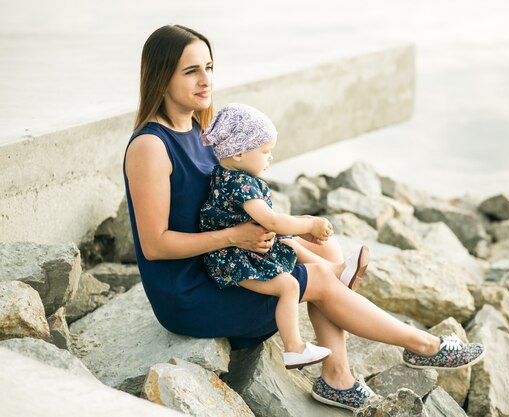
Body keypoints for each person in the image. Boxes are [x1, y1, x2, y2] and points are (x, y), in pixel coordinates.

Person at [124, 24, 486, 412]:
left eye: (209, 67)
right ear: (161, 76)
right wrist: (234, 237)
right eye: (191, 71)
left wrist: (279, 238)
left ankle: (337, 373)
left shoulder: (201, 131)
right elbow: (155, 245)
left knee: (324, 244)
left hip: (225, 263)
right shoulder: (151, 146)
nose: (206, 80)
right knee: (321, 280)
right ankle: (422, 346)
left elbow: (227, 207)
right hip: (192, 293)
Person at [198, 102, 369, 369]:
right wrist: (309, 226)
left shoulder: (227, 174)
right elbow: (273, 221)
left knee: (288, 244)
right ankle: (294, 348)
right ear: (240, 153)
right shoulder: (239, 184)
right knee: (288, 285)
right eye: (265, 151)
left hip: (245, 250)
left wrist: (301, 225)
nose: (271, 158)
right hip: (234, 261)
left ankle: (337, 270)